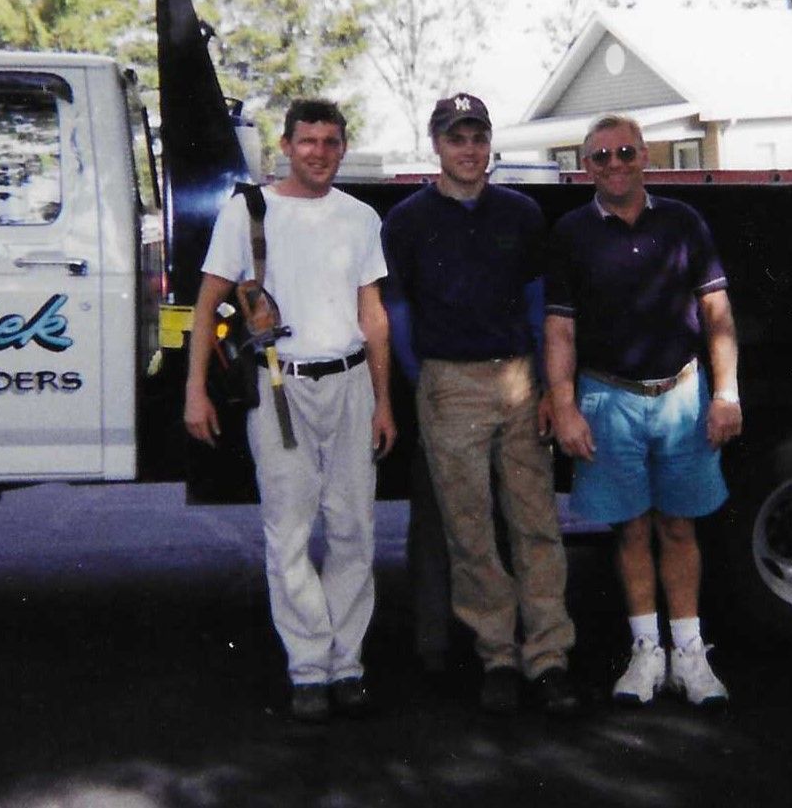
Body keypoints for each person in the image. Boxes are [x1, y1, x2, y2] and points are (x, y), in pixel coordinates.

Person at [185, 98, 396, 723]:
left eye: (331, 142)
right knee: (289, 532)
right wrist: (194, 390)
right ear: (285, 145)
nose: (320, 153)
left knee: (354, 528)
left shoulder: (360, 218)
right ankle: (308, 668)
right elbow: (207, 305)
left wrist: (384, 402)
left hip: (350, 383)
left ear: (343, 148)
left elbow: (373, 315)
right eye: (308, 141)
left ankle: (347, 664)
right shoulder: (248, 211)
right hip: (282, 385)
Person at [382, 94, 580, 715]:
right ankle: (497, 654)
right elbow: (397, 310)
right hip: (449, 384)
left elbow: (539, 302)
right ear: (436, 146)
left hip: (517, 379)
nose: (468, 149)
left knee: (535, 522)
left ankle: (548, 656)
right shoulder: (408, 220)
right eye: (456, 138)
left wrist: (546, 385)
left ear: (490, 143)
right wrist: (423, 379)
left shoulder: (521, 213)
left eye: (477, 137)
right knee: (468, 528)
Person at [544, 113, 744, 707]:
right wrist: (565, 407)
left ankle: (690, 654)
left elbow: (717, 314)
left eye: (626, 152)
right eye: (601, 156)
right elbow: (560, 330)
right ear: (586, 167)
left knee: (679, 526)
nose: (615, 164)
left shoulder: (684, 222)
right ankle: (645, 652)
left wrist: (726, 394)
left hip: (682, 396)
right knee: (630, 528)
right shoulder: (571, 233)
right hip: (608, 399)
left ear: (645, 157)